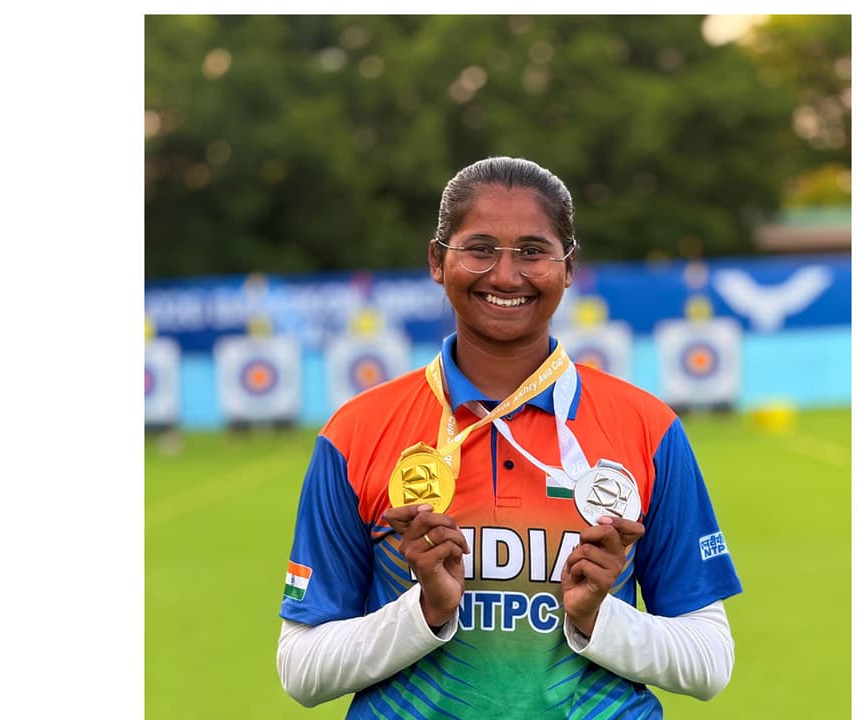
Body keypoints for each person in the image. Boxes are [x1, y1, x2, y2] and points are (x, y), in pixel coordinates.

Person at [276, 156, 742, 718]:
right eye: (478, 249)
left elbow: (710, 662)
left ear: (568, 268)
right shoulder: (357, 431)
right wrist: (423, 612)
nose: (504, 275)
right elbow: (301, 670)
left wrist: (600, 617)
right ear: (436, 260)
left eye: (533, 251)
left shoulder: (647, 427)